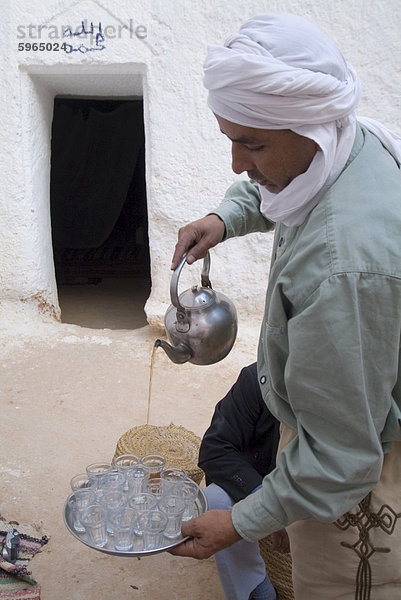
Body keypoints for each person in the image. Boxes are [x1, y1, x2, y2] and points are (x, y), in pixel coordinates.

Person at [169, 12, 401, 599]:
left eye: (251, 143)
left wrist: (239, 521)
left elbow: (345, 457)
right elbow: (276, 186)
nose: (237, 163)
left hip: (354, 477)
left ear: (312, 127)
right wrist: (226, 218)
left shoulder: (341, 267)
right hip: (343, 435)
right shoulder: (352, 144)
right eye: (231, 139)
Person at [199, 362, 283, 600]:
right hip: (255, 484)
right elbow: (214, 448)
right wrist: (267, 503)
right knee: (214, 499)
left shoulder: (336, 390)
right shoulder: (256, 379)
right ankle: (259, 592)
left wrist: (290, 503)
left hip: (313, 493)